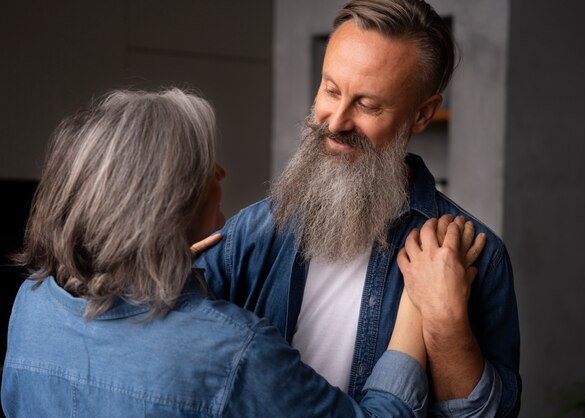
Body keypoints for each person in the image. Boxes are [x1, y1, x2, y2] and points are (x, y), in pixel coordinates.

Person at [0, 88, 482, 417]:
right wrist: (419, 308)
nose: (221, 173)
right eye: (203, 167)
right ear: (164, 203)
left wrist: (158, 262)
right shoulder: (230, 350)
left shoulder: (33, 302)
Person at [194, 0, 521, 416]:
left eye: (367, 105)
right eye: (330, 90)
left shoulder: (477, 255)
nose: (335, 121)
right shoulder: (252, 232)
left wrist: (445, 320)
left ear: (422, 114)